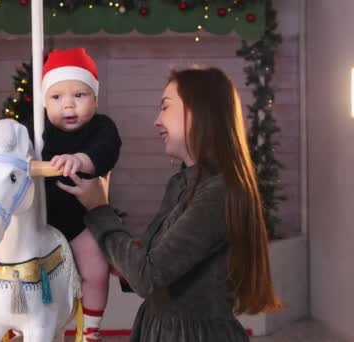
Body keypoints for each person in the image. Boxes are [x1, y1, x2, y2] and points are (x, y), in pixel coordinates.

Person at [57, 66, 282, 341]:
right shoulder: (182, 184)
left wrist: (99, 209)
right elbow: (148, 262)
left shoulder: (219, 192)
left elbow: (147, 275)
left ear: (198, 111)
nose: (157, 121)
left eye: (165, 107)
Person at [0, 48, 122, 340]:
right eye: (57, 98)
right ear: (44, 102)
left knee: (95, 267)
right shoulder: (37, 128)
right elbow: (10, 148)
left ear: (95, 98)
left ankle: (91, 328)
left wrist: (81, 160)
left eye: (79, 96)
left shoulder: (102, 128)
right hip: (37, 215)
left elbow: (106, 150)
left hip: (76, 219)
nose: (68, 105)